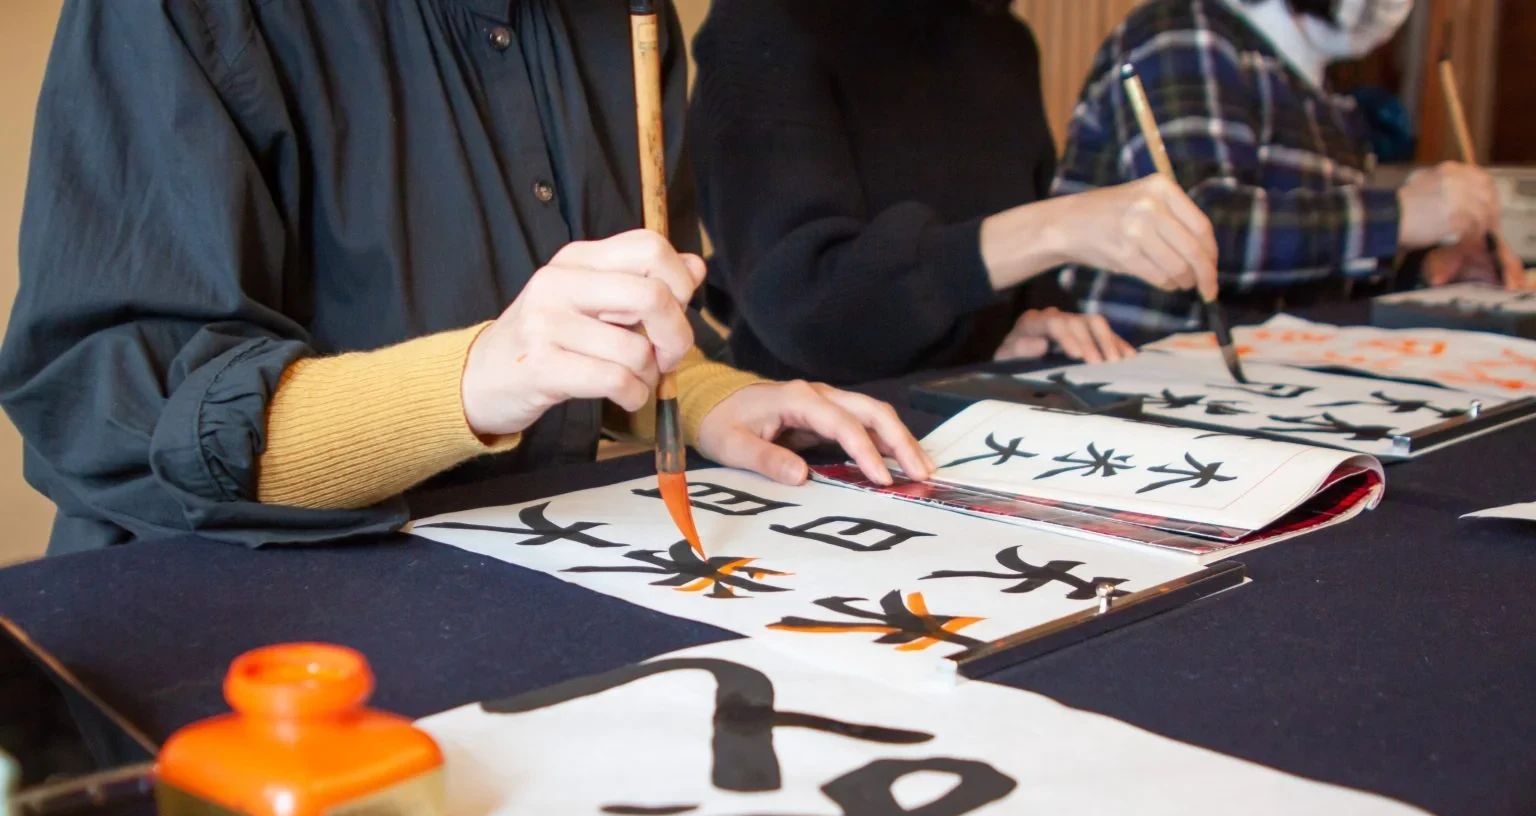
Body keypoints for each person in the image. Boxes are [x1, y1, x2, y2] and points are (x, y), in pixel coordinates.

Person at [0, 0, 932, 558]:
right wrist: (476, 376)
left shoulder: (624, 18)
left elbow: (600, 328)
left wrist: (708, 397)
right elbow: (119, 418)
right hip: (222, 660)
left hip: (509, 589)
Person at [686, 0, 1221, 385]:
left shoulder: (1001, 39)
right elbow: (807, 310)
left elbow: (996, 272)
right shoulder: (765, 24)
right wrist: (1057, 226)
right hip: (812, 445)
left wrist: (1030, 322)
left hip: (973, 422)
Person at [1053, 0, 1526, 345]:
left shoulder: (1328, 96)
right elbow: (1200, 228)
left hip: (1270, 387)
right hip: (1139, 377)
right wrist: (1397, 215)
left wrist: (1425, 271)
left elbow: (1318, 275)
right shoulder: (1184, 32)